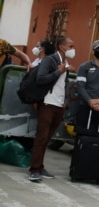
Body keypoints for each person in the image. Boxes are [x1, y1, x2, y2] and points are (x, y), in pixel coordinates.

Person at [28, 36, 75, 181]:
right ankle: (34, 170)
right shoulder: (50, 60)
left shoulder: (64, 62)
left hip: (59, 105)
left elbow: (63, 84)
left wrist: (65, 101)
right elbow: (40, 78)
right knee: (41, 138)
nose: (73, 50)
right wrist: (58, 72)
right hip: (47, 103)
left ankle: (40, 167)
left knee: (47, 138)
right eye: (71, 46)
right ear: (62, 47)